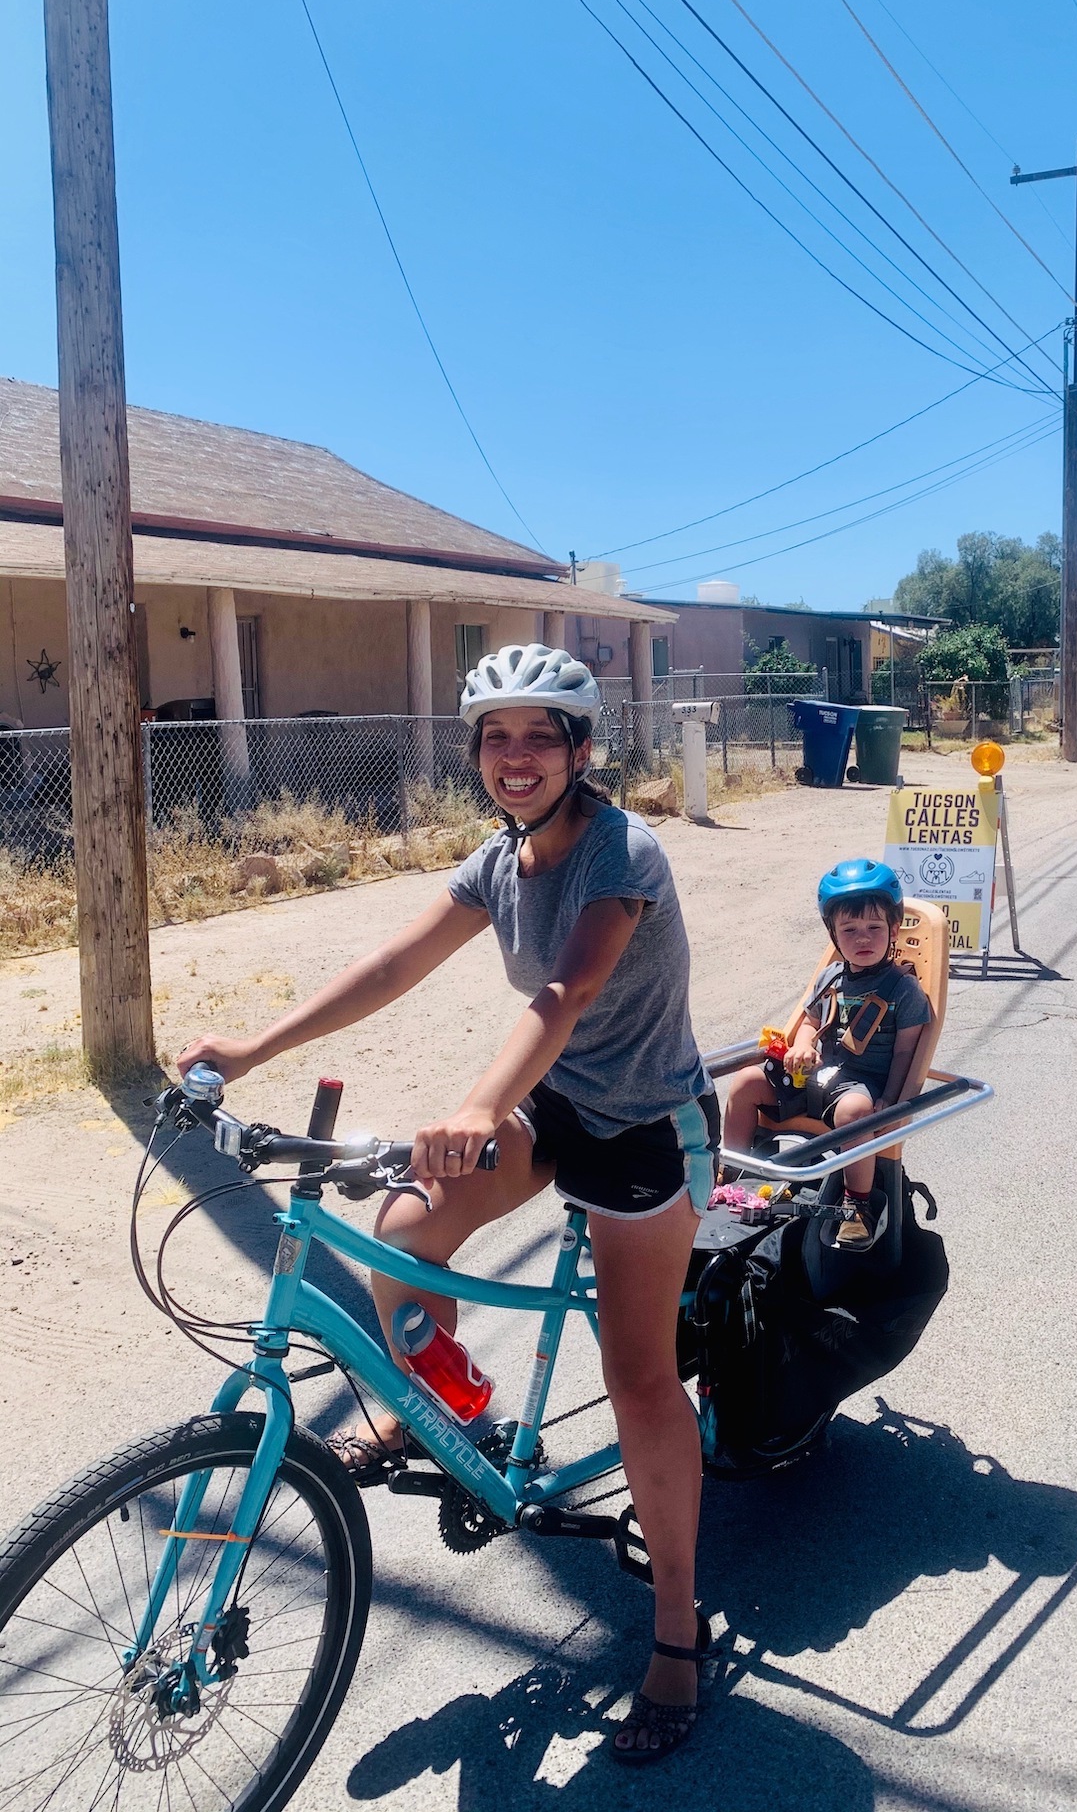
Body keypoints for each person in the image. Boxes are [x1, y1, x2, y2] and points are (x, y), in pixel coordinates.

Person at [176, 643, 718, 1766]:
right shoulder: (500, 861)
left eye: (539, 737)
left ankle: (676, 1632)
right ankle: (456, 1399)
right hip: (559, 1102)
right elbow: (391, 964)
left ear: (579, 749)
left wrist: (475, 1100)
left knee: (637, 1374)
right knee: (407, 1232)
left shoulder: (625, 851)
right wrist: (251, 1044)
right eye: (495, 738)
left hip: (646, 1126)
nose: (514, 759)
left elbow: (567, 989)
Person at [721, 858, 930, 1249]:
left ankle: (858, 1205)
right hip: (818, 1076)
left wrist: (893, 1101)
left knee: (854, 1114)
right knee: (746, 1081)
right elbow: (808, 1022)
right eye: (849, 930)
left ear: (894, 930)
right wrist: (802, 1045)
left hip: (861, 1086)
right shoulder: (829, 977)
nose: (862, 939)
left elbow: (906, 1054)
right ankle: (732, 1173)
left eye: (874, 928)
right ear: (833, 935)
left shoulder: (904, 989)